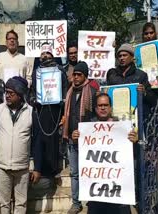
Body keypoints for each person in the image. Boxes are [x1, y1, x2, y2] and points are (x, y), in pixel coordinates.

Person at [70, 93, 138, 214]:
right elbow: (81, 156)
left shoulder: (122, 127)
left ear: (111, 108)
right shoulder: (88, 128)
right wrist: (76, 140)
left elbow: (133, 155)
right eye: (100, 105)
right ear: (95, 109)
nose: (103, 108)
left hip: (119, 195)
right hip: (97, 198)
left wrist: (135, 142)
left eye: (105, 105)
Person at [0, 76, 42, 214]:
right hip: (2, 166)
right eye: (6, 92)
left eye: (11, 93)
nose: (7, 96)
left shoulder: (30, 112)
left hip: (22, 168)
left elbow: (37, 142)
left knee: (21, 204)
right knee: (3, 203)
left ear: (20, 95)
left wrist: (37, 168)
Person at [62, 61, 97, 214]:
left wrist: (85, 132)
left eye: (79, 75)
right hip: (71, 140)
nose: (75, 77)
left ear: (85, 76)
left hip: (88, 142)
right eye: (74, 74)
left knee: (89, 171)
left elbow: (97, 118)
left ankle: (92, 200)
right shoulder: (69, 92)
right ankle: (76, 203)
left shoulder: (92, 92)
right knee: (75, 173)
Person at [31, 43, 68, 178]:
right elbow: (33, 90)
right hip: (41, 110)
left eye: (48, 53)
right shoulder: (37, 71)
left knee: (54, 139)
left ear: (52, 55)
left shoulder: (59, 70)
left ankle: (54, 168)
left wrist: (63, 102)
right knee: (41, 138)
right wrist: (34, 99)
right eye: (43, 54)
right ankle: (42, 168)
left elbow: (64, 88)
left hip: (56, 109)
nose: (45, 56)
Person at [106, 43, 156, 125]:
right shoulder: (112, 74)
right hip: (115, 118)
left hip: (134, 119)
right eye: (120, 56)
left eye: (125, 55)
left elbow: (153, 100)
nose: (122, 58)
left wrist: (144, 92)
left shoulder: (141, 75)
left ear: (132, 57)